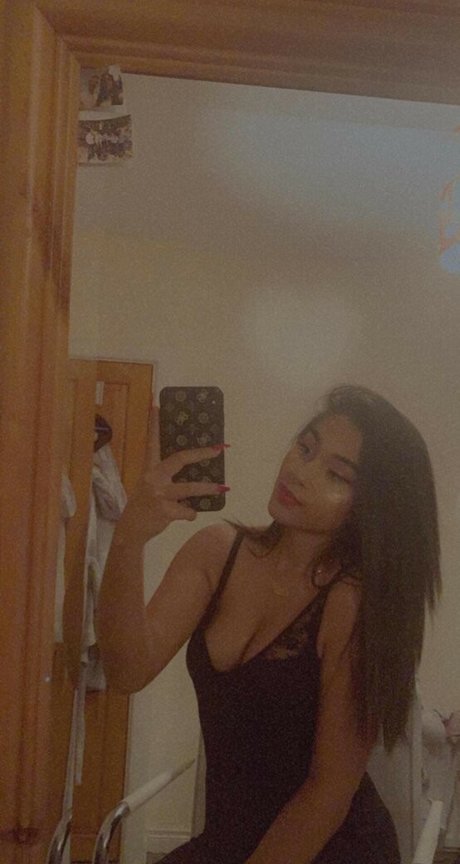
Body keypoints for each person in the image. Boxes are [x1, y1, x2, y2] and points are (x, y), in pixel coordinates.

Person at [97, 384, 441, 864]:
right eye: (305, 448)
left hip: (328, 847)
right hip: (228, 840)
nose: (300, 472)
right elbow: (126, 669)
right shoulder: (216, 552)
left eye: (336, 474)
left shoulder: (350, 603)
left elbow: (327, 795)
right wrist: (130, 535)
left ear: (370, 508)